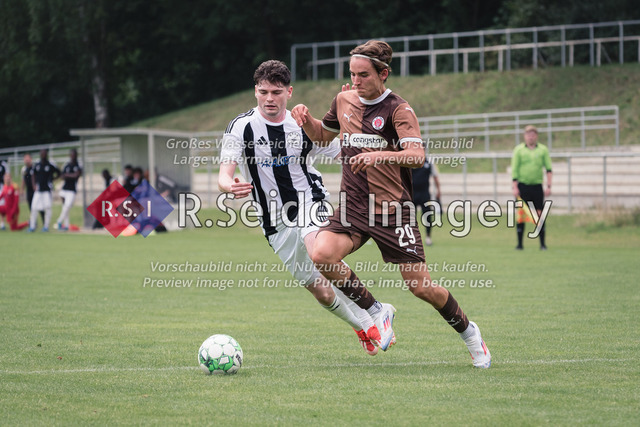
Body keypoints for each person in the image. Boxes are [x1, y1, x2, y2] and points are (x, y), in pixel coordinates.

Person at [292, 40, 491, 367]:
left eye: (364, 75)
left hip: (393, 210)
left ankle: (470, 333)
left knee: (422, 288)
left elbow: (416, 156)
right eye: (352, 74)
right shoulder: (343, 100)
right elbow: (322, 136)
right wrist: (306, 119)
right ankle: (376, 310)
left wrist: (379, 155)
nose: (356, 81)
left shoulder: (399, 109)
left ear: (383, 74)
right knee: (321, 254)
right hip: (355, 206)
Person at [218, 59, 384, 356]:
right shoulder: (241, 127)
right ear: (255, 92)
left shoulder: (303, 124)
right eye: (263, 92)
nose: (269, 98)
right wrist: (230, 186)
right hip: (273, 221)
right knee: (320, 291)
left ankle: (376, 314)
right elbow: (223, 175)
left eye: (276, 92)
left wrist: (351, 119)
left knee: (319, 251)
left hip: (310, 201)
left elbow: (346, 153)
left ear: (289, 92)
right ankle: (360, 326)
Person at [511, 125, 552, 250]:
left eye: (533, 134)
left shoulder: (543, 150)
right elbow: (514, 169)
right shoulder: (519, 150)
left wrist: (549, 185)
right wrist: (514, 187)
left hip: (537, 186)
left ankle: (542, 244)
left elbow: (548, 169)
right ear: (525, 136)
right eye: (528, 134)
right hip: (523, 186)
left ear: (536, 136)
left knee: (539, 215)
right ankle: (520, 244)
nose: (531, 137)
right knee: (521, 215)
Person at [29, 149, 60, 232]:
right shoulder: (37, 164)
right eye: (41, 154)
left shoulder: (50, 164)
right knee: (34, 207)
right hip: (38, 190)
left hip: (47, 190)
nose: (43, 155)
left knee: (48, 207)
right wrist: (34, 185)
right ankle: (32, 226)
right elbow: (33, 174)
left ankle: (46, 226)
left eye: (44, 153)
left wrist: (52, 179)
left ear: (46, 154)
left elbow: (59, 173)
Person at [412, 159, 441, 246]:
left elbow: (435, 177)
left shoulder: (429, 163)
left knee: (427, 216)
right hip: (412, 194)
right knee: (410, 217)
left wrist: (438, 190)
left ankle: (428, 237)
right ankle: (411, 237)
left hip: (425, 195)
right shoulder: (409, 161)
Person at [55, 149, 82, 231]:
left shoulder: (78, 165)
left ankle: (59, 221)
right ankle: (66, 225)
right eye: (71, 155)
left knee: (67, 206)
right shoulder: (66, 165)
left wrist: (67, 175)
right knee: (65, 208)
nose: (73, 156)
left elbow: (76, 175)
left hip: (72, 190)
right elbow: (62, 175)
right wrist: (69, 175)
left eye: (74, 155)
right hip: (64, 189)